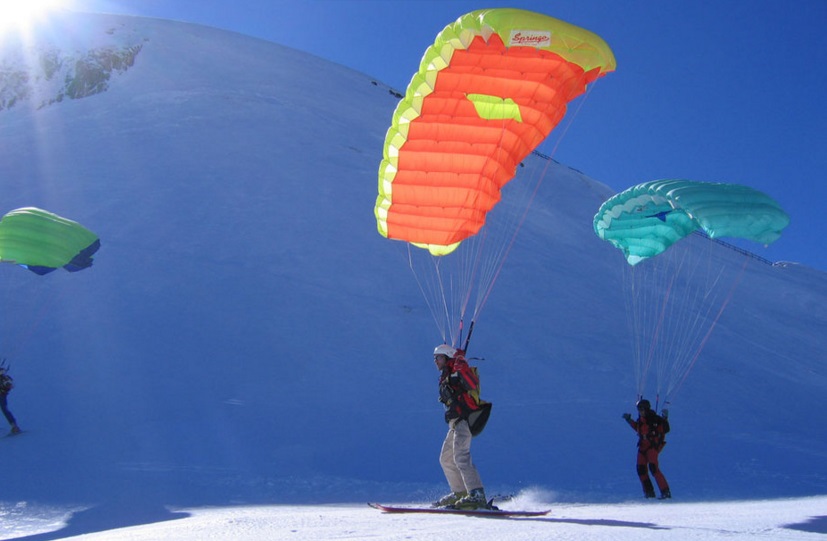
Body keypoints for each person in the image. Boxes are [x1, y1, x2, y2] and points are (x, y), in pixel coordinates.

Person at [432, 344, 489, 510]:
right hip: (454, 423)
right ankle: (460, 493)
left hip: (464, 420)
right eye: (435, 358)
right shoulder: (446, 375)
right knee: (446, 458)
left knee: (461, 457)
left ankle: (476, 495)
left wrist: (462, 367)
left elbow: (472, 384)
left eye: (439, 357)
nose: (436, 361)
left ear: (448, 358)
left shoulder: (458, 371)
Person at [622, 398, 671, 499]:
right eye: (639, 410)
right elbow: (638, 428)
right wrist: (629, 420)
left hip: (652, 446)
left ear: (647, 409)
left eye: (642, 409)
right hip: (642, 447)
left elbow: (665, 429)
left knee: (653, 468)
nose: (640, 412)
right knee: (641, 469)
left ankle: (665, 492)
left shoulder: (655, 419)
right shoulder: (641, 420)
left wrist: (665, 418)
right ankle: (649, 492)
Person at [0, 365, 21, 435]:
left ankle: (14, 426)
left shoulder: (5, 378)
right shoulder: (6, 378)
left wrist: (7, 385)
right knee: (4, 409)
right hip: (3, 395)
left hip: (2, 395)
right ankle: (14, 425)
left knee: (4, 409)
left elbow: (11, 385)